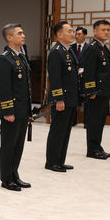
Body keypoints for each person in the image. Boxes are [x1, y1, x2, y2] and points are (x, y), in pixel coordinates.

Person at [0, 23, 32, 191]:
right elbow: (5, 88)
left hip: (23, 109)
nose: (23, 35)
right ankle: (6, 178)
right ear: (9, 37)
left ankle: (15, 174)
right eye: (20, 33)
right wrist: (8, 110)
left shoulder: (21, 57)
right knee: (9, 145)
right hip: (12, 110)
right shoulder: (4, 59)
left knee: (19, 145)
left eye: (23, 33)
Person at [44, 21, 79, 172]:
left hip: (71, 97)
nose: (73, 34)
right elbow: (55, 78)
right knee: (58, 130)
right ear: (59, 34)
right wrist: (58, 99)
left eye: (73, 31)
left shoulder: (69, 50)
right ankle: (51, 162)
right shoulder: (56, 52)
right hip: (62, 99)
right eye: (69, 31)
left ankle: (60, 160)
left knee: (65, 130)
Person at [81, 20, 110, 159]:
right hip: (96, 92)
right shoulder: (92, 48)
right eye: (103, 30)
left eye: (108, 30)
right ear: (95, 31)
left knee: (100, 121)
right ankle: (92, 150)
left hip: (104, 91)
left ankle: (98, 147)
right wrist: (91, 92)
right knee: (94, 121)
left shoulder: (103, 48)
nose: (106, 32)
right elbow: (88, 72)